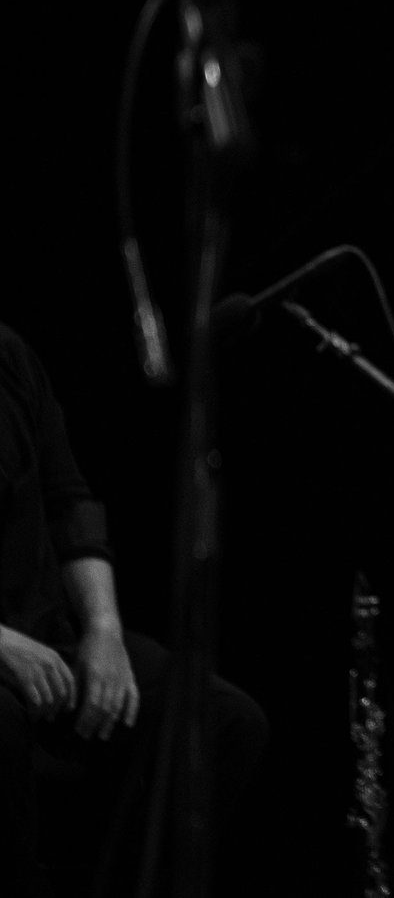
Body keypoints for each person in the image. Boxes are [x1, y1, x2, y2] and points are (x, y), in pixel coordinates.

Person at [0, 320, 269, 898]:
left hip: (49, 640)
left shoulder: (10, 355)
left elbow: (69, 503)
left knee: (224, 722)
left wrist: (103, 630)